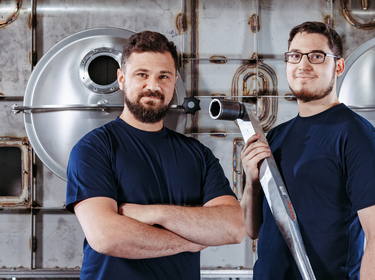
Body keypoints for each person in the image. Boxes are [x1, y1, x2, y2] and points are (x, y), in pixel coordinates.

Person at [65, 31, 245, 280]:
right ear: (121, 79)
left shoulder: (198, 155)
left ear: (174, 82)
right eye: (142, 75)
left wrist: (155, 213)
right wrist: (191, 241)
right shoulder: (94, 149)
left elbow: (233, 227)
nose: (153, 86)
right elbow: (106, 236)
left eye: (164, 76)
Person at [240, 21, 375, 280]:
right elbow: (253, 229)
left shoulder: (355, 135)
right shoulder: (277, 135)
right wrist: (252, 182)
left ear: (338, 66)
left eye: (316, 56)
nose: (303, 65)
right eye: (295, 56)